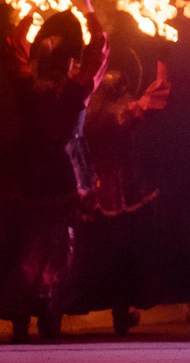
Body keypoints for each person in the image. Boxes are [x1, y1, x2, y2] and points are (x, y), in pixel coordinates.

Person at [0, 0, 107, 341]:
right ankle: (47, 307)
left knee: (29, 243)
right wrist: (88, 9)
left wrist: (30, 11)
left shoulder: (27, 84)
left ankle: (24, 311)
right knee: (58, 244)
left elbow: (12, 49)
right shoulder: (76, 90)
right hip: (65, 177)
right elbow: (98, 53)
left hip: (30, 174)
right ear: (69, 62)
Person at [71, 53, 172, 335]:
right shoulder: (114, 110)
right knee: (115, 249)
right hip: (111, 185)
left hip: (111, 184)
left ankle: (119, 305)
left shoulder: (99, 108)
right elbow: (157, 96)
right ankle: (114, 302)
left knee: (114, 248)